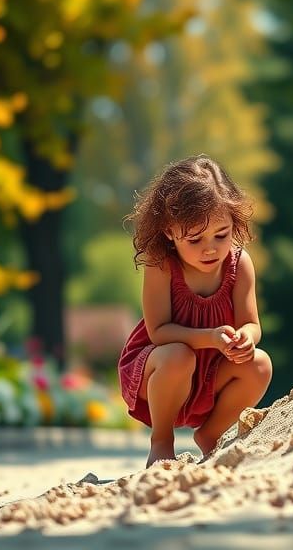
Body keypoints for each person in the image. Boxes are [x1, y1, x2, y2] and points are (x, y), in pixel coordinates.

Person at [118, 155, 273, 467]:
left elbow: (252, 324)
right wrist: (211, 337)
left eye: (221, 234)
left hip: (211, 372)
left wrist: (245, 338)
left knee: (259, 364)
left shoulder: (239, 264)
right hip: (159, 368)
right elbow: (159, 332)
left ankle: (211, 435)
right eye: (194, 238)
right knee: (179, 355)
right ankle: (161, 441)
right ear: (167, 232)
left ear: (234, 223)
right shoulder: (161, 265)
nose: (210, 248)